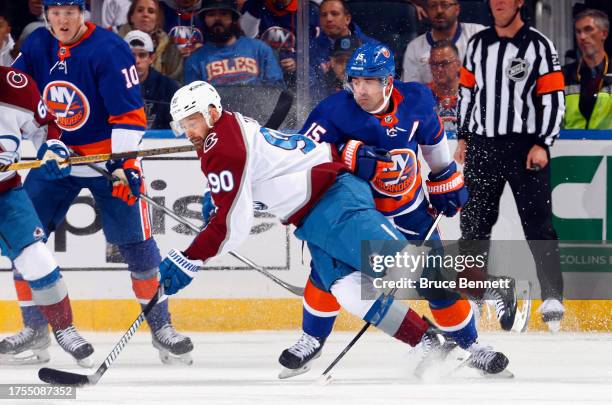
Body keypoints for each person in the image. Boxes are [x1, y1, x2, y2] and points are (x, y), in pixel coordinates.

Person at [160, 79, 481, 378]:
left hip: (334, 199)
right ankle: (428, 341)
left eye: (192, 121)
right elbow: (261, 177)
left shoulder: (221, 145)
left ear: (212, 112)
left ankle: (486, 305)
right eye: (182, 125)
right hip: (313, 215)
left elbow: (233, 226)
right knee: (349, 291)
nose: (188, 132)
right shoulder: (230, 128)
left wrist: (191, 257)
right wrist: (220, 197)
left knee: (400, 264)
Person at [278, 43, 512, 378]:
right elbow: (300, 157)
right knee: (324, 274)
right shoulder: (334, 111)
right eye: (355, 81)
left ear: (388, 81)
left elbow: (434, 151)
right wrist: (345, 154)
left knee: (437, 283)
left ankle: (472, 347)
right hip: (358, 216)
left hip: (411, 212)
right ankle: (311, 339)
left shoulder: (415, 101)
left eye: (369, 81)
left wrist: (446, 181)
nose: (360, 89)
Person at [11, 0, 194, 364]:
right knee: (24, 242)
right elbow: (16, 97)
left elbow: (127, 113)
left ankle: (161, 329)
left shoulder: (109, 49)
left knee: (140, 249)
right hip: (55, 161)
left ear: (84, 14)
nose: (62, 21)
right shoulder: (35, 46)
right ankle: (34, 329)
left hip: (107, 161)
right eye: (55, 13)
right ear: (46, 15)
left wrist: (125, 164)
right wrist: (44, 145)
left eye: (70, 13)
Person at [456, 0, 566, 331]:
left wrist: (544, 142)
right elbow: (466, 93)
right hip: (483, 146)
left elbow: (553, 98)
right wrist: (463, 136)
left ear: (519, 2)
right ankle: (472, 298)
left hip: (525, 147)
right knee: (473, 226)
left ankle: (552, 294)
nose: (499, 3)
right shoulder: (477, 44)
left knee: (538, 224)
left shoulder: (539, 45)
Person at [0, 66, 94, 367]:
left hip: (6, 194)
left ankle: (65, 329)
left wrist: (50, 150)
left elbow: (45, 126)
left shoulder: (14, 85)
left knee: (37, 258)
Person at [183, 0, 284, 87]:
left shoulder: (260, 49)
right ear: (204, 19)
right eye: (211, 14)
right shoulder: (195, 60)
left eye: (223, 14)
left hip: (257, 107)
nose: (217, 19)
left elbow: (277, 90)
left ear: (233, 18)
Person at [240, 0, 319, 88]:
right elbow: (243, 38)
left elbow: (314, 50)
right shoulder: (253, 6)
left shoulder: (307, 10)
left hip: (294, 80)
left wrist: (297, 61)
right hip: (259, 75)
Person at [402, 0, 484, 84]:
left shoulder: (479, 34)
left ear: (457, 9)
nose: (439, 10)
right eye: (433, 6)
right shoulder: (414, 48)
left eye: (445, 5)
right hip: (433, 96)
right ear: (427, 10)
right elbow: (412, 91)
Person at [563, 9, 611, 129]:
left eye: (588, 29)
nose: (582, 37)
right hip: (568, 145)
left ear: (604, 34)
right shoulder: (564, 75)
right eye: (578, 32)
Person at [118, 0, 184, 83]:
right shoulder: (114, 45)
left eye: (151, 11)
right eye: (140, 10)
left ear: (157, 19)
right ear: (131, 17)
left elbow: (175, 84)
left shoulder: (169, 48)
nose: (145, 14)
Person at [125, 30, 180, 129]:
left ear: (151, 58)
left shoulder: (169, 87)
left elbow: (178, 128)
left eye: (142, 55)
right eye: (131, 55)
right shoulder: (111, 86)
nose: (136, 61)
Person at [427, 40, 462, 134]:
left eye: (445, 63)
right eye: (434, 64)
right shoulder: (421, 97)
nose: (439, 69)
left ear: (458, 65)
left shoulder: (474, 95)